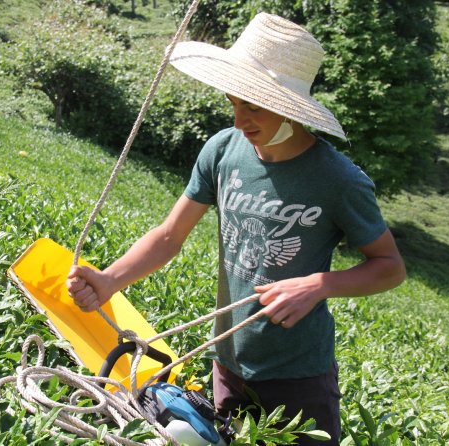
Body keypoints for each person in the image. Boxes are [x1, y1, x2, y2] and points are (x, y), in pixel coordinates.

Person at [66, 12, 406, 445]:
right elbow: (170, 235)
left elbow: (390, 266)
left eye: (254, 105)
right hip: (227, 360)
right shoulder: (223, 150)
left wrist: (318, 285)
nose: (240, 118)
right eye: (234, 102)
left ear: (288, 105)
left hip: (296, 371)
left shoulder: (339, 181)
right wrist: (109, 279)